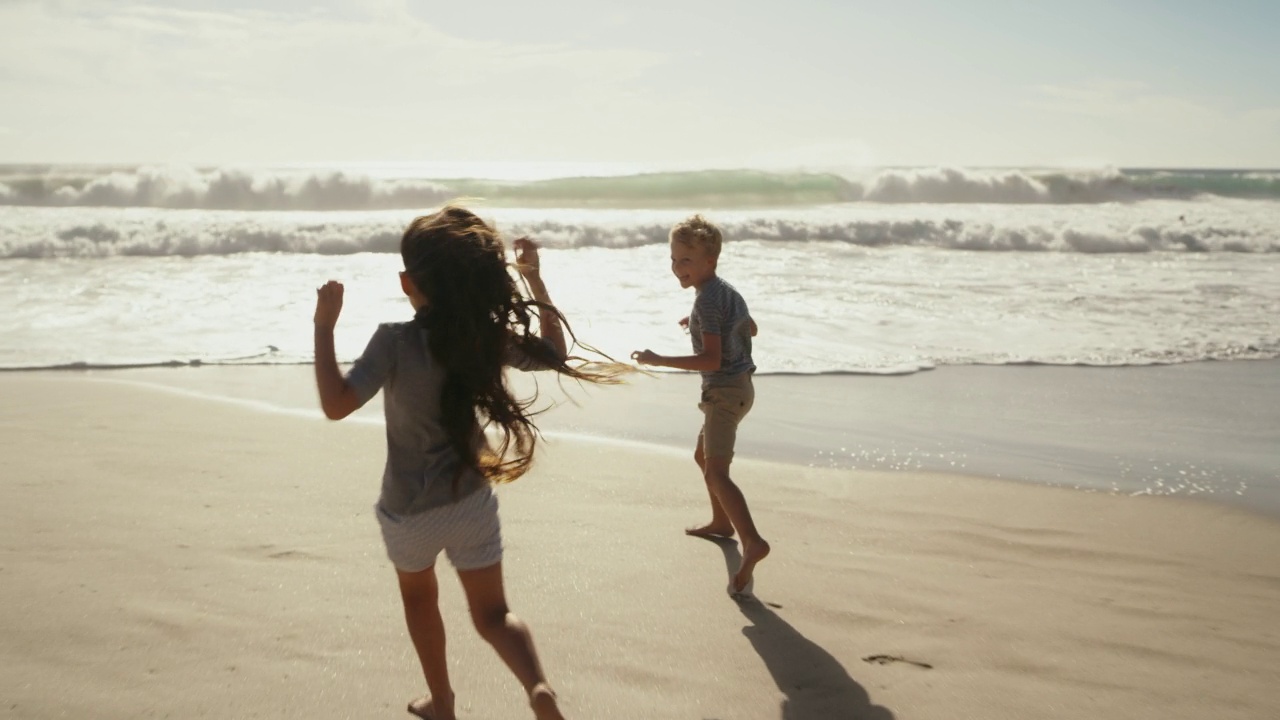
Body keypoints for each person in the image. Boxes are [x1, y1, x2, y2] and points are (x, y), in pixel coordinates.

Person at [313, 205, 619, 720]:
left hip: (407, 511)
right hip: (471, 500)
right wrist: (536, 281)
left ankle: (444, 703)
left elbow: (335, 404)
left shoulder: (394, 340)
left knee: (419, 601)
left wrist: (324, 326)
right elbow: (552, 352)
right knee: (495, 615)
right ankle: (538, 688)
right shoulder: (482, 336)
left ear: (407, 281)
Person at [630, 214, 770, 596]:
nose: (677, 267)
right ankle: (721, 523)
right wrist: (696, 321)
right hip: (739, 389)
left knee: (716, 474)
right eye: (674, 260)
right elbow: (749, 326)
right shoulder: (723, 292)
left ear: (710, 261)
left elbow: (710, 360)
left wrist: (659, 359)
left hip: (724, 392)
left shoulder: (708, 302)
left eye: (685, 260)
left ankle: (752, 541)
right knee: (701, 456)